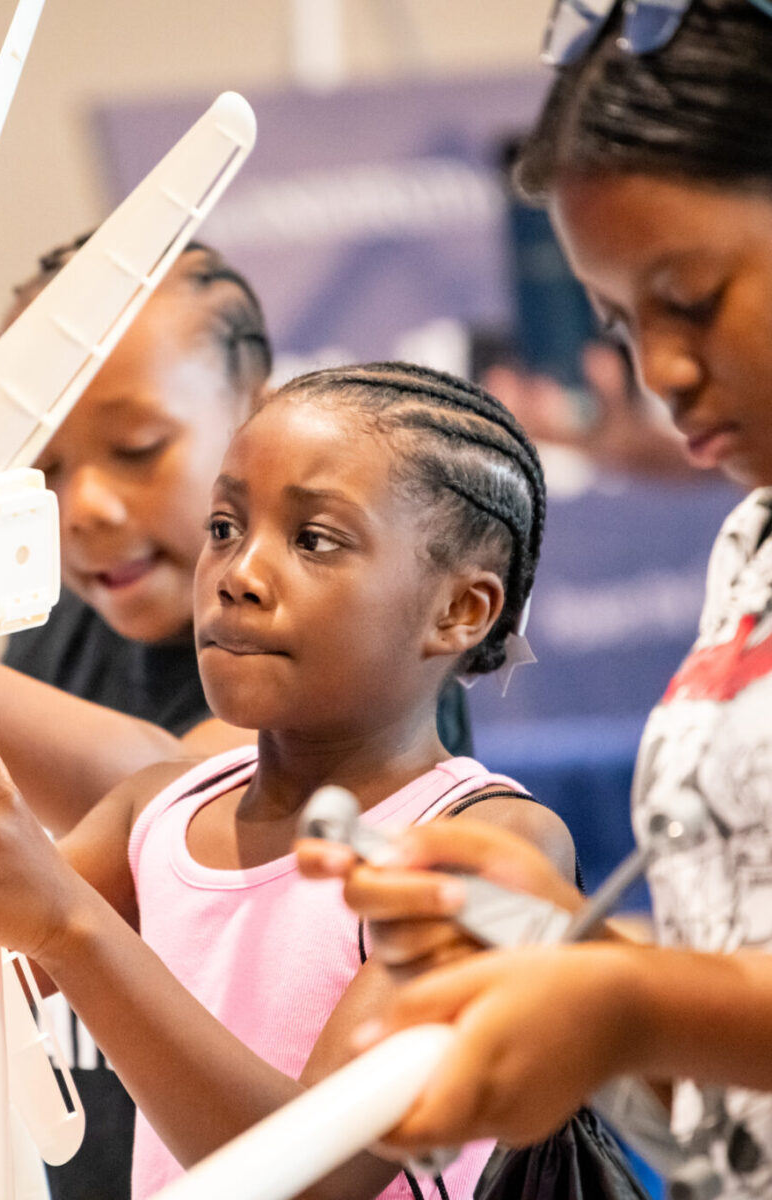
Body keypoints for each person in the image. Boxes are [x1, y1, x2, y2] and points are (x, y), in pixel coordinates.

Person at [0, 361, 575, 1198]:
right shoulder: (159, 813)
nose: (238, 574)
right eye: (224, 527)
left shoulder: (490, 845)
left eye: (314, 539)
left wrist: (67, 924)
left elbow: (319, 1179)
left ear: (461, 611)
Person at [297, 3, 772, 1193]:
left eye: (693, 298)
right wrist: (561, 944)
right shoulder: (752, 553)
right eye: (619, 321)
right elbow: (726, 1107)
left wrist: (626, 996)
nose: (655, 374)